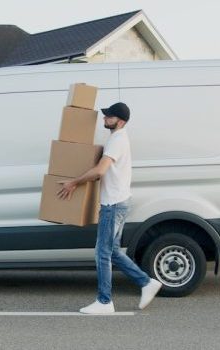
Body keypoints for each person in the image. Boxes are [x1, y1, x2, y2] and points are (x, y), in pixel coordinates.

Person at [57, 102, 162, 314]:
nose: (105, 119)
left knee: (102, 253)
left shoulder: (117, 140)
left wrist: (73, 182)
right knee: (112, 251)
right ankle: (146, 282)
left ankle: (105, 302)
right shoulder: (117, 138)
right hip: (119, 201)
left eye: (109, 117)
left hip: (113, 205)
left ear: (120, 121)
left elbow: (100, 171)